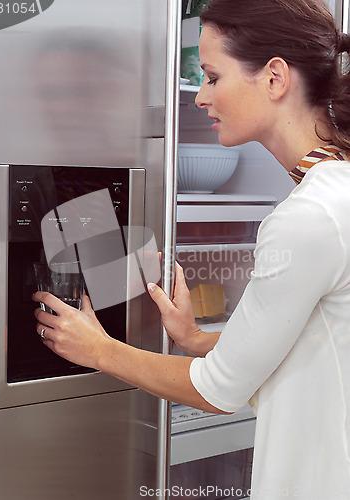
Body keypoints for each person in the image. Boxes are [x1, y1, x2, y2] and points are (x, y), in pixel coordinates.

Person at [33, 0, 350, 498]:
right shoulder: (336, 192)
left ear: (274, 78)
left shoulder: (309, 216)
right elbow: (313, 348)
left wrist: (100, 350)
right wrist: (198, 339)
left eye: (212, 76)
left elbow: (218, 391)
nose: (200, 97)